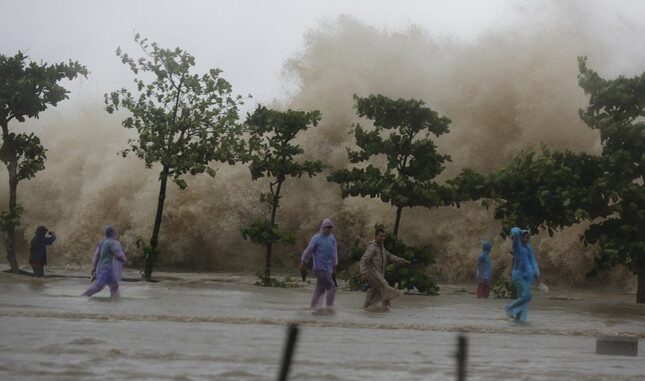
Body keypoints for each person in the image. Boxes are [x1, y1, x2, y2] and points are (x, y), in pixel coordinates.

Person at [359, 227, 410, 309]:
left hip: (379, 274)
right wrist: (363, 273)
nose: (383, 238)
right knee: (385, 287)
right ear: (376, 236)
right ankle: (387, 309)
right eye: (381, 236)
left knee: (373, 292)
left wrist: (403, 261)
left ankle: (366, 308)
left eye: (384, 236)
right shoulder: (372, 248)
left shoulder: (381, 248)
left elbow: (390, 256)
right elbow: (363, 260)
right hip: (373, 273)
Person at [299, 218, 338, 309]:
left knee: (320, 289)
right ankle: (329, 307)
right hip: (319, 267)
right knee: (332, 287)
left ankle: (313, 307)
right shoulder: (317, 238)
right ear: (322, 227)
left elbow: (334, 253)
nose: (328, 229)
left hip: (328, 268)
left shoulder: (332, 239)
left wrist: (335, 265)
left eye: (330, 227)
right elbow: (308, 251)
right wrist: (303, 262)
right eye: (326, 227)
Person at [505, 227, 541, 322]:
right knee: (527, 296)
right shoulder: (517, 247)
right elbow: (515, 232)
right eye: (523, 237)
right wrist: (520, 232)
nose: (525, 239)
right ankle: (509, 308)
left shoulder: (528, 249)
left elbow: (532, 264)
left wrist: (537, 279)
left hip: (526, 277)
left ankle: (517, 319)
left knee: (523, 299)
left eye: (527, 237)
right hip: (518, 276)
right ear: (520, 238)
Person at [82, 226, 126, 298]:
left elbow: (96, 256)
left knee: (114, 285)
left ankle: (114, 301)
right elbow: (117, 256)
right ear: (113, 233)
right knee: (98, 286)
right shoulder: (112, 242)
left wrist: (94, 267)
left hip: (106, 268)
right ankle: (82, 297)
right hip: (105, 269)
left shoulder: (102, 242)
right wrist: (124, 260)